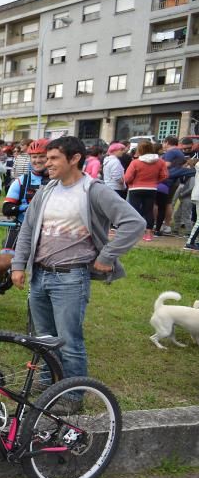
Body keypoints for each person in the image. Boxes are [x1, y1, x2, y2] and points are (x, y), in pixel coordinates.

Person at [10, 136, 145, 398]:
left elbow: (134, 223)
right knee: (45, 338)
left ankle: (72, 396)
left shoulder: (94, 190)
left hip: (70, 278)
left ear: (74, 159)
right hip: (40, 275)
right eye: (46, 158)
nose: (46, 164)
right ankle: (49, 382)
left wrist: (107, 256)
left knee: (70, 341)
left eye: (54, 158)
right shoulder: (47, 190)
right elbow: (27, 230)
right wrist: (18, 264)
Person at [0, 138, 48, 288]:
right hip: (20, 226)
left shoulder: (57, 181)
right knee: (4, 262)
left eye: (42, 156)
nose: (38, 160)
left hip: (46, 230)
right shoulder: (22, 181)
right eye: (34, 157)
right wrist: (26, 207)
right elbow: (6, 208)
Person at [124, 140, 168, 242]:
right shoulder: (160, 162)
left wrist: (130, 183)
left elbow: (127, 177)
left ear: (139, 149)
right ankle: (148, 234)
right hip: (151, 188)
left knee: (134, 210)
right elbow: (165, 175)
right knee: (149, 210)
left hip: (135, 188)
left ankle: (134, 232)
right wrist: (155, 181)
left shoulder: (135, 162)